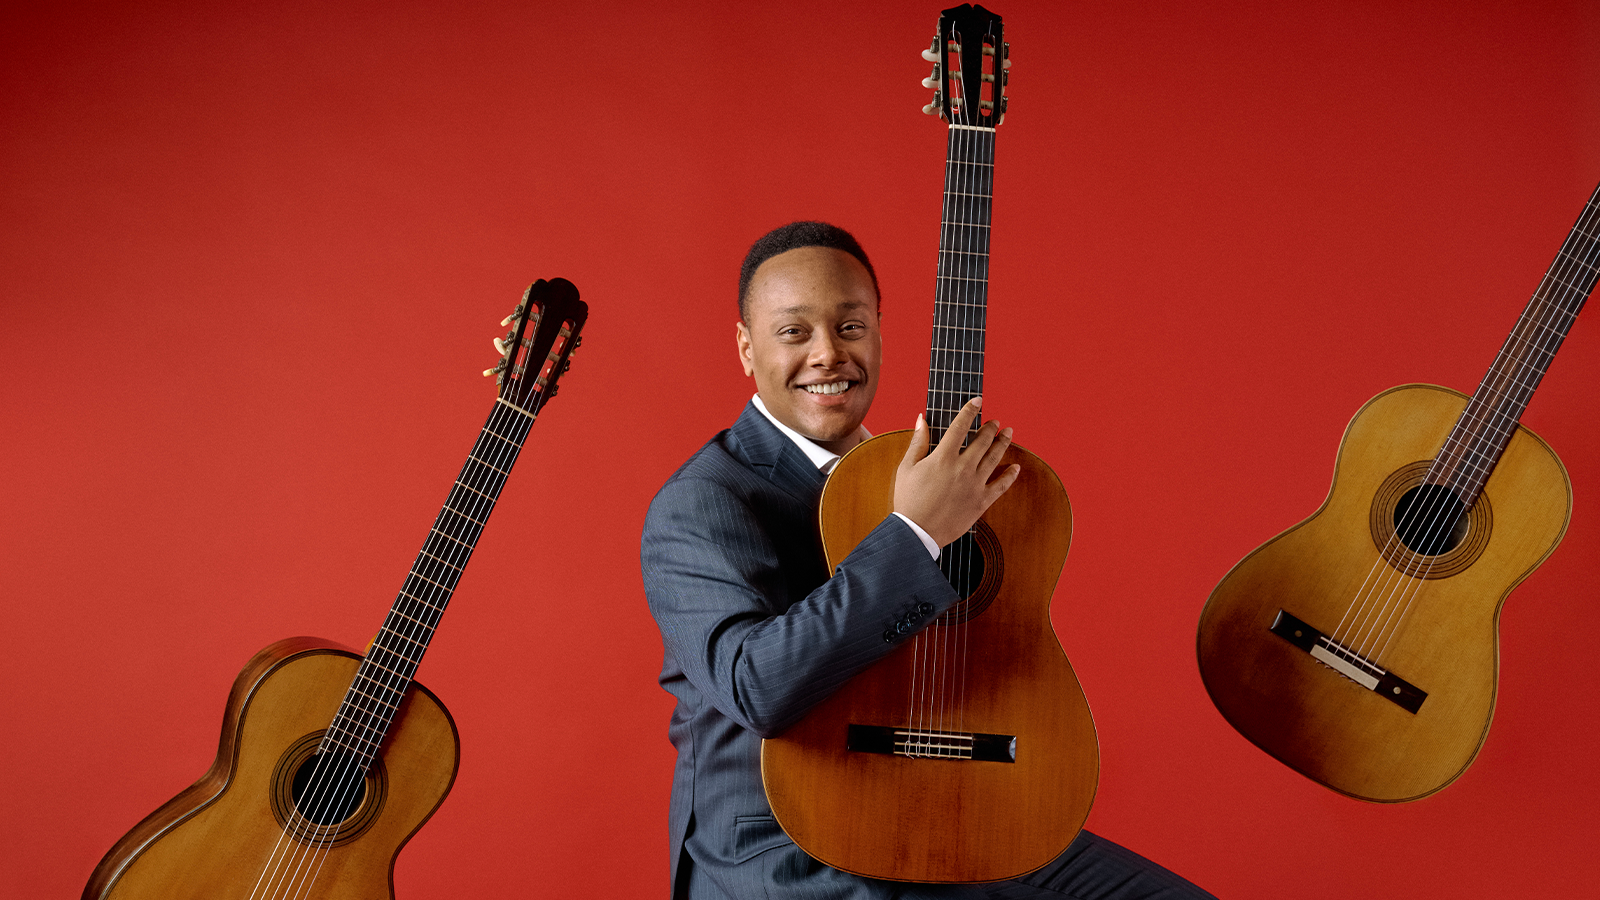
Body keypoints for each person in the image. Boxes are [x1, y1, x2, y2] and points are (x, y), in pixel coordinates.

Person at [641, 221, 1216, 899]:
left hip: (954, 798)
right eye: (794, 332)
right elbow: (755, 688)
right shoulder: (703, 501)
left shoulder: (908, 473)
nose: (828, 354)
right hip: (784, 844)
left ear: (879, 333)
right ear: (746, 347)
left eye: (850, 327)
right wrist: (915, 531)